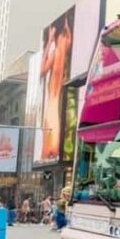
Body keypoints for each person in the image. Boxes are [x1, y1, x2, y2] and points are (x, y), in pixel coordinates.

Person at [40, 18, 72, 160]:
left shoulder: (55, 53)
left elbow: (42, 70)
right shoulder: (65, 49)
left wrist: (49, 41)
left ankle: (49, 153)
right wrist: (66, 25)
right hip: (58, 97)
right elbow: (69, 37)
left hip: (52, 99)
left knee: (49, 135)